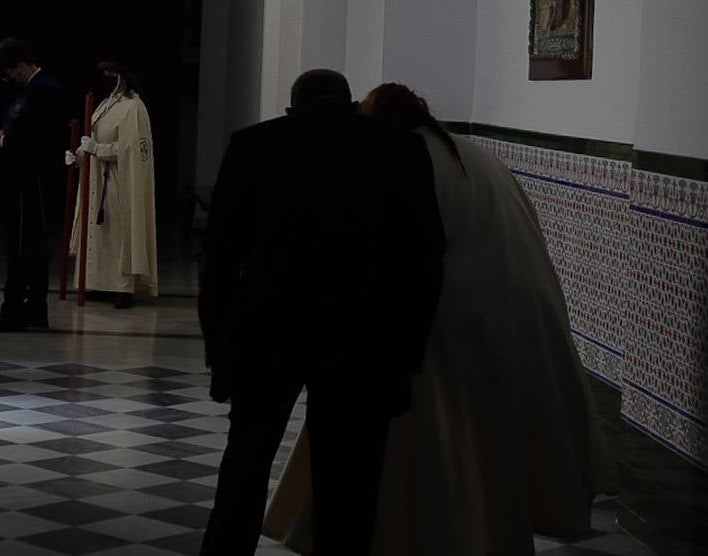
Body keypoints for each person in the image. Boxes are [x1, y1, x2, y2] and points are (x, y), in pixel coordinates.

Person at [263, 82, 616, 556]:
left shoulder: (393, 159)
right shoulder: (474, 155)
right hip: (498, 319)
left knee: (416, 447)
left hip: (430, 324)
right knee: (483, 446)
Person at [197, 69, 445, 556]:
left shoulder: (254, 145)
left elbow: (220, 260)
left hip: (268, 332)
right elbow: (424, 259)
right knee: (349, 481)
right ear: (351, 103)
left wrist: (219, 348)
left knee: (245, 466)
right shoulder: (399, 150)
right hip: (362, 337)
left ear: (293, 108)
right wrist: (407, 352)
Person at [0, 38, 62, 332]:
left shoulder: (42, 90)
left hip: (30, 181)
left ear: (21, 65)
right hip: (24, 179)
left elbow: (33, 137)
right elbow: (19, 129)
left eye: (12, 73)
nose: (11, 79)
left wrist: (2, 138)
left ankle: (16, 312)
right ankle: (32, 310)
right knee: (29, 247)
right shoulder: (31, 90)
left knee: (23, 248)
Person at [67, 61, 158, 308]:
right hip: (97, 180)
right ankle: (98, 284)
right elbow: (92, 138)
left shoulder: (134, 108)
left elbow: (133, 150)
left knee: (119, 235)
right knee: (99, 235)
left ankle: (122, 288)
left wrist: (99, 150)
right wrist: (78, 155)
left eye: (111, 74)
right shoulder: (105, 105)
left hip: (119, 183)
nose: (106, 78)